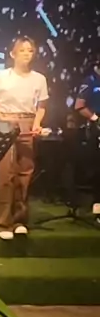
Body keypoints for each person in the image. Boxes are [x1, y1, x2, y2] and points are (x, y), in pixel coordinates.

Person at [0, 37, 49, 240]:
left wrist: (37, 123)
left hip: (27, 124)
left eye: (30, 50)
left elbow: (41, 107)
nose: (26, 54)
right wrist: (3, 118)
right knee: (5, 174)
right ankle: (3, 223)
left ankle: (19, 220)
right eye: (22, 50)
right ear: (12, 54)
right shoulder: (1, 76)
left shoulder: (39, 79)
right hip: (6, 123)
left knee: (25, 174)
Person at [74, 58, 100, 220]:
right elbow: (79, 106)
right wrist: (95, 118)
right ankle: (97, 203)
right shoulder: (90, 81)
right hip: (96, 128)